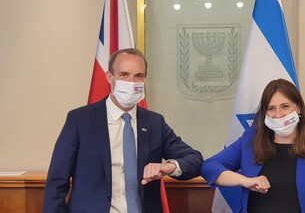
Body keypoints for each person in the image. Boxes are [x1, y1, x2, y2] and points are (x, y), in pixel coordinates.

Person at [43, 48, 203, 213]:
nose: (132, 82)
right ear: (109, 77)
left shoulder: (155, 123)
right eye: (124, 75)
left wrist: (168, 167)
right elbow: (57, 181)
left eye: (138, 76)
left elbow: (194, 160)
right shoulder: (80, 120)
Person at [201, 78, 305, 213]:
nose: (278, 114)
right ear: (265, 113)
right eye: (271, 108)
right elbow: (209, 167)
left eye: (285, 107)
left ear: (299, 108)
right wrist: (246, 181)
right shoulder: (250, 141)